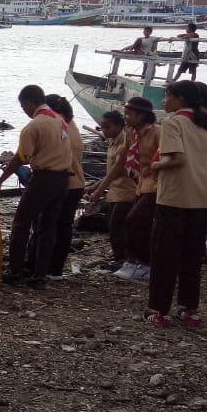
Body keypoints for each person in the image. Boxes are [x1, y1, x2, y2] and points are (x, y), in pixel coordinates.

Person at [145, 80, 207, 327]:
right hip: (200, 200)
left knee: (164, 256)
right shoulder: (205, 124)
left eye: (167, 96)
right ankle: (189, 309)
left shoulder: (173, 122)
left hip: (174, 198)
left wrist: (154, 166)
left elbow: (176, 159)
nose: (164, 101)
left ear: (179, 98)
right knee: (191, 257)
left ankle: (159, 309)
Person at [0, 85, 72, 289]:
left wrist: (0, 181)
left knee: (21, 223)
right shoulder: (60, 120)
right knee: (47, 227)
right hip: (63, 178)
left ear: (28, 103)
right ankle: (39, 275)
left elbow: (20, 157)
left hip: (44, 177)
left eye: (23, 106)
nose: (24, 111)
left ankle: (15, 271)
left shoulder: (34, 126)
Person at [90, 97, 159, 281]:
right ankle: (135, 262)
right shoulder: (132, 135)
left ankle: (143, 263)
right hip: (141, 185)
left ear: (141, 115)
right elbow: (120, 164)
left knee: (132, 221)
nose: (126, 117)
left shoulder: (157, 132)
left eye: (129, 114)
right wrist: (98, 190)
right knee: (133, 224)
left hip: (155, 185)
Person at [85, 111, 136, 271]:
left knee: (118, 224)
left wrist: (99, 189)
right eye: (102, 127)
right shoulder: (113, 141)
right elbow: (112, 171)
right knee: (112, 224)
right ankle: (119, 257)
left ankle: (123, 259)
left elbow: (120, 170)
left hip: (126, 190)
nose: (105, 130)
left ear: (120, 126)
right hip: (114, 190)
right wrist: (97, 185)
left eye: (108, 127)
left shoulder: (124, 143)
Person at [43, 95, 85, 281]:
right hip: (77, 183)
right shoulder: (71, 125)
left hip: (63, 183)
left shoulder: (58, 125)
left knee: (51, 225)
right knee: (64, 226)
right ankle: (56, 268)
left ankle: (47, 266)